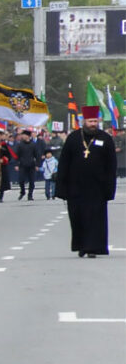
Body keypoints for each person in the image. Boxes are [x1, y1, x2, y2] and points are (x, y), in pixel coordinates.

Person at [55, 106, 118, 258]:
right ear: (84, 121)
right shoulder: (74, 138)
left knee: (95, 218)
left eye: (95, 121)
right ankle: (81, 245)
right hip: (75, 186)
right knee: (78, 217)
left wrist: (110, 188)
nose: (93, 124)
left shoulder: (105, 138)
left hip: (98, 187)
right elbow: (64, 162)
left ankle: (93, 247)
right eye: (90, 121)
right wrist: (61, 187)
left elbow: (111, 165)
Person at [14, 130, 41, 200]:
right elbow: (17, 155)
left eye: (23, 135)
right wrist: (16, 164)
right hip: (22, 165)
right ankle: (22, 191)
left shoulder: (33, 144)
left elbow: (37, 155)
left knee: (32, 181)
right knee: (21, 180)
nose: (22, 136)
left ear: (28, 136)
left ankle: (30, 195)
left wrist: (37, 165)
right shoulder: (20, 144)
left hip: (31, 165)